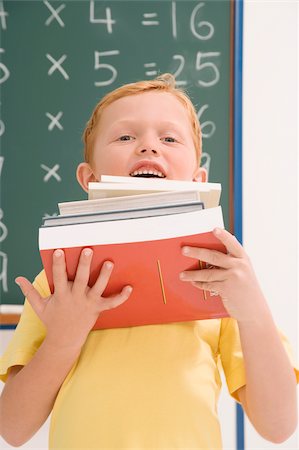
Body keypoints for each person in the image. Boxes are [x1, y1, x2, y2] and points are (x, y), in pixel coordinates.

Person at [0, 73, 298, 449]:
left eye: (169, 138)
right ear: (89, 178)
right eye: (126, 136)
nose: (148, 147)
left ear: (198, 178)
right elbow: (12, 428)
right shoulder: (61, 281)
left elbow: (279, 425)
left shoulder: (220, 279)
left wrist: (253, 310)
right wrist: (63, 340)